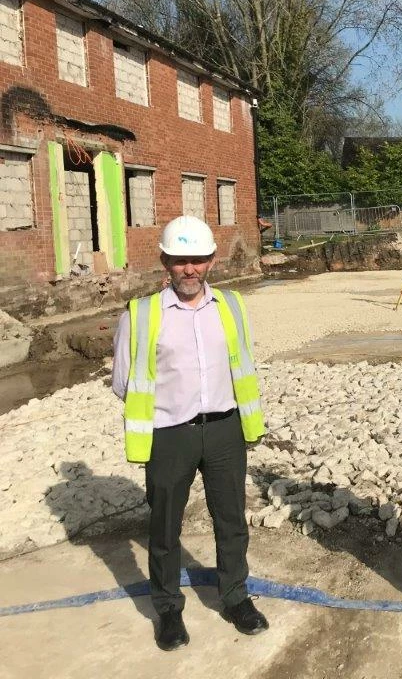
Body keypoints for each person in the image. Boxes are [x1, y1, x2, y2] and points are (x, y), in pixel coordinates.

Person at [112, 215, 269, 651]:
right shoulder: (142, 315)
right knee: (164, 527)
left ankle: (236, 598)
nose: (189, 269)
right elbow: (124, 383)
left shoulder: (231, 306)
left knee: (232, 520)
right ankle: (167, 610)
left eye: (197, 260)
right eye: (180, 260)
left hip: (224, 431)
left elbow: (243, 364)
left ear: (211, 261)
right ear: (164, 261)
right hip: (170, 434)